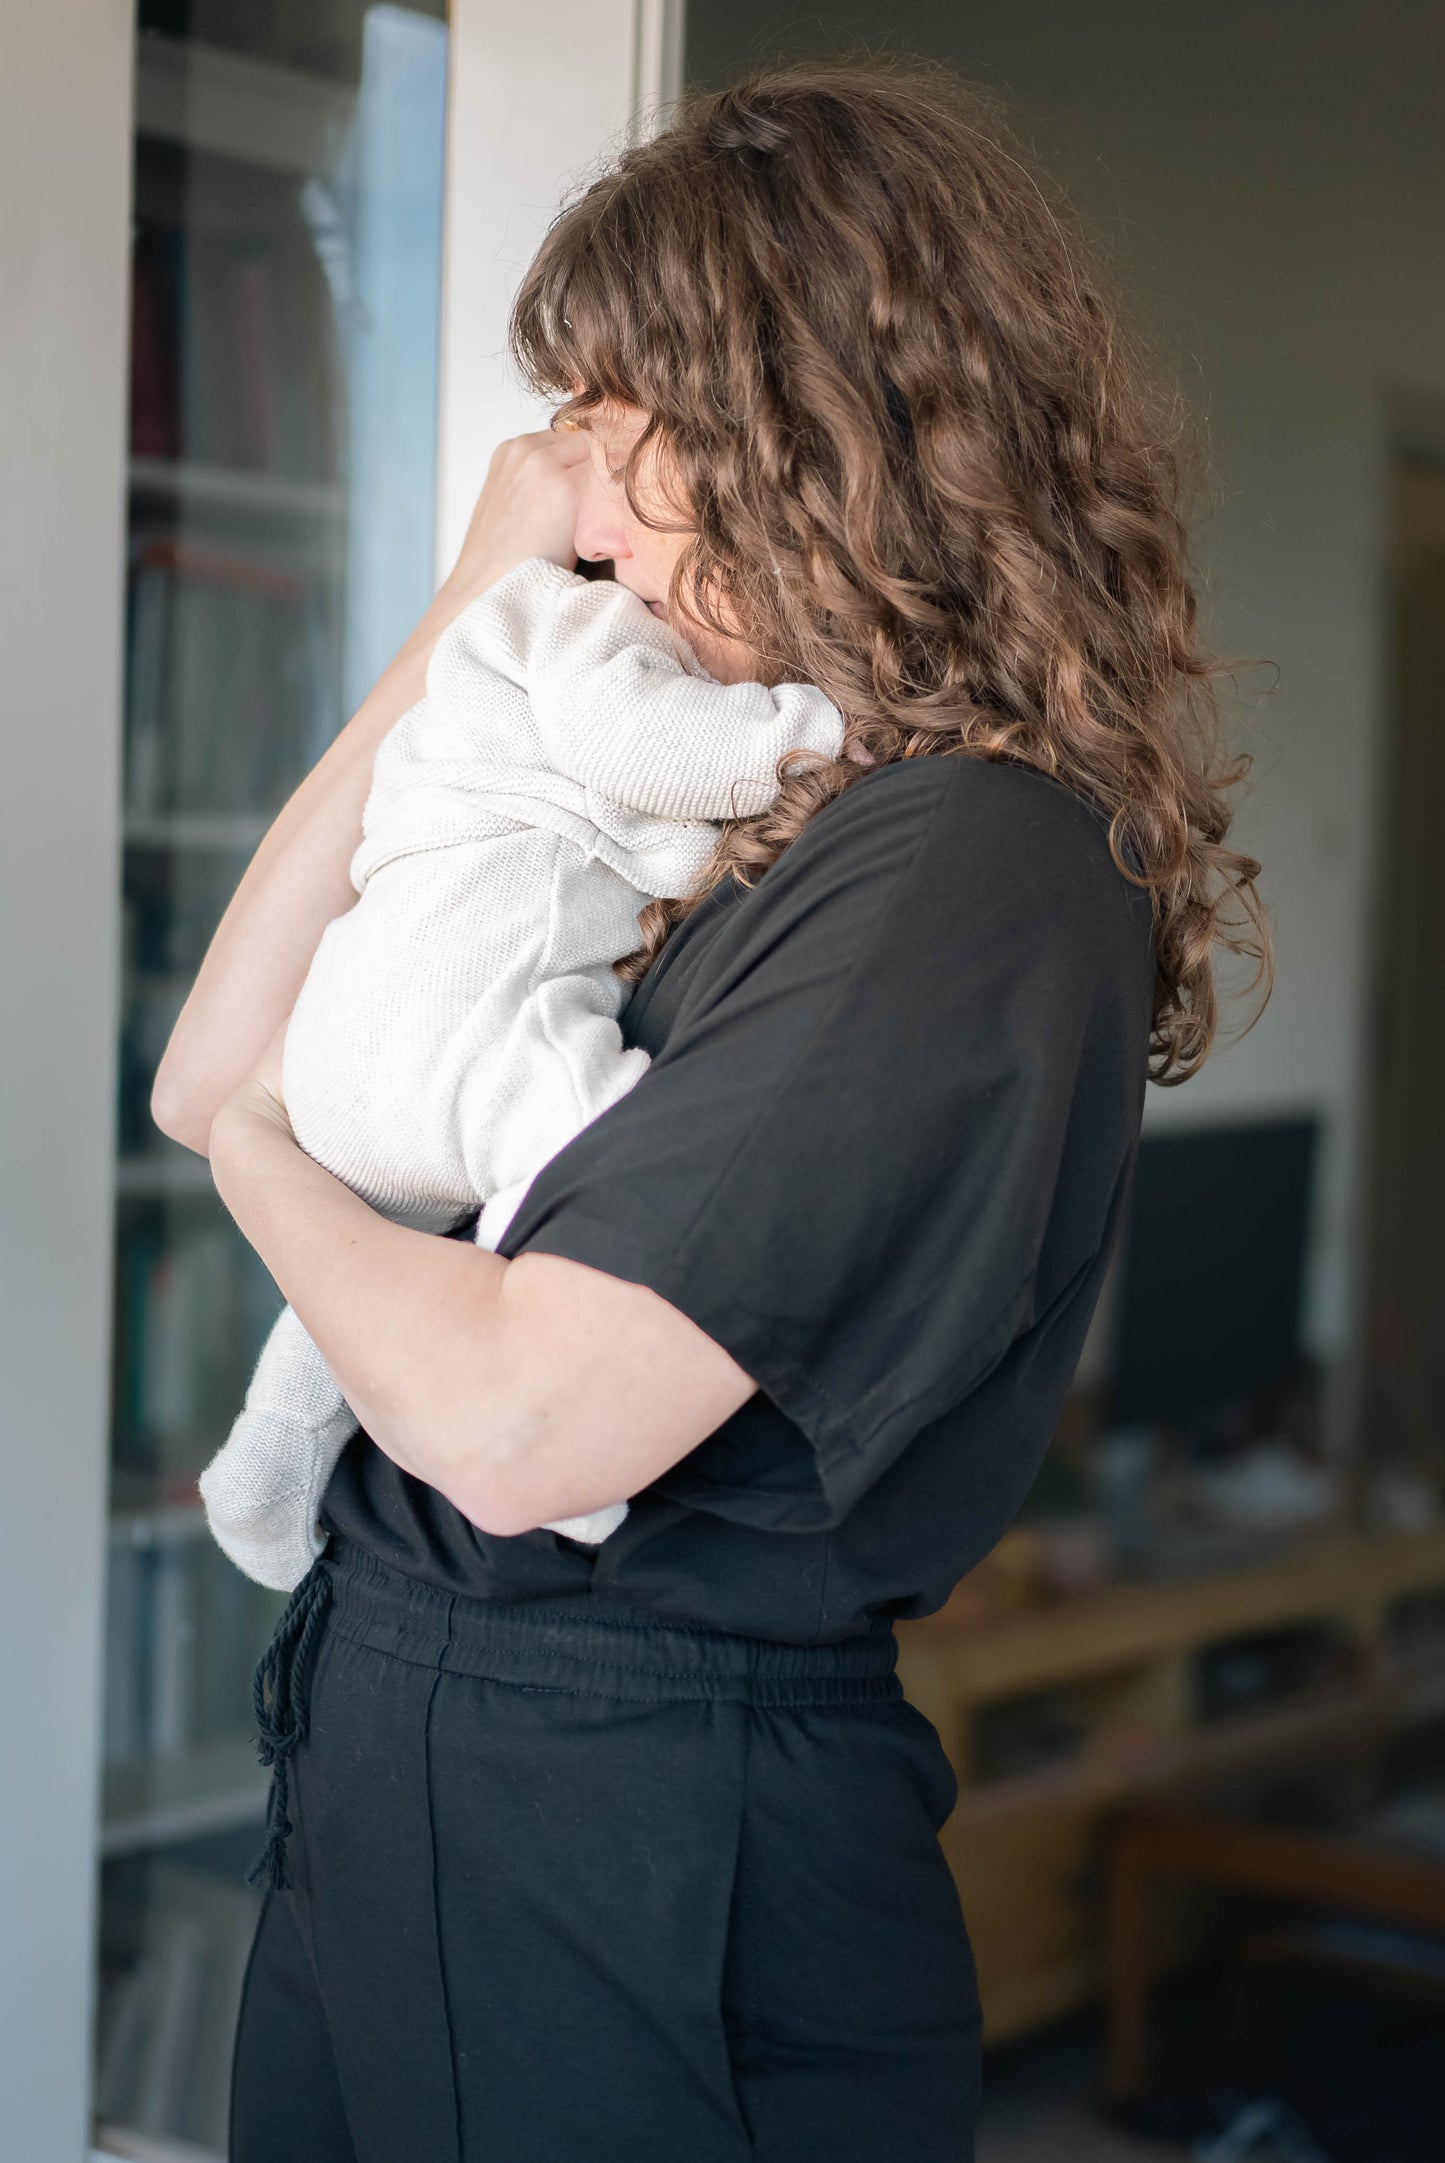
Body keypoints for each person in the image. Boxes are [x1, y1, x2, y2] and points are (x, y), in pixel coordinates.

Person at [152, 63, 1268, 2163]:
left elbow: (512, 1423)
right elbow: (213, 1048)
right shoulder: (715, 810)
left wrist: (262, 1155)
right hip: (429, 1753)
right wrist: (467, 631)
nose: (589, 506)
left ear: (818, 430)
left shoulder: (971, 865)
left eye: (627, 431)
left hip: (624, 1825)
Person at [199, 555, 842, 1590]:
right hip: (469, 1017)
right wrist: (811, 730)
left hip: (338, 1054)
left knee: (350, 1279)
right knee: (612, 1137)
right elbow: (642, 744)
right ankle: (557, 1444)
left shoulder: (479, 684)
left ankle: (267, 1452)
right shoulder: (568, 615)